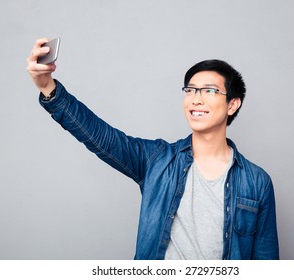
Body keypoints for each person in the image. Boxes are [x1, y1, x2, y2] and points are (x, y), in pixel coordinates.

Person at [26, 38, 279, 260]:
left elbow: (266, 261)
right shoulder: (157, 160)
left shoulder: (256, 182)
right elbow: (101, 137)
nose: (196, 98)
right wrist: (48, 87)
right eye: (190, 90)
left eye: (209, 91)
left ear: (232, 104)